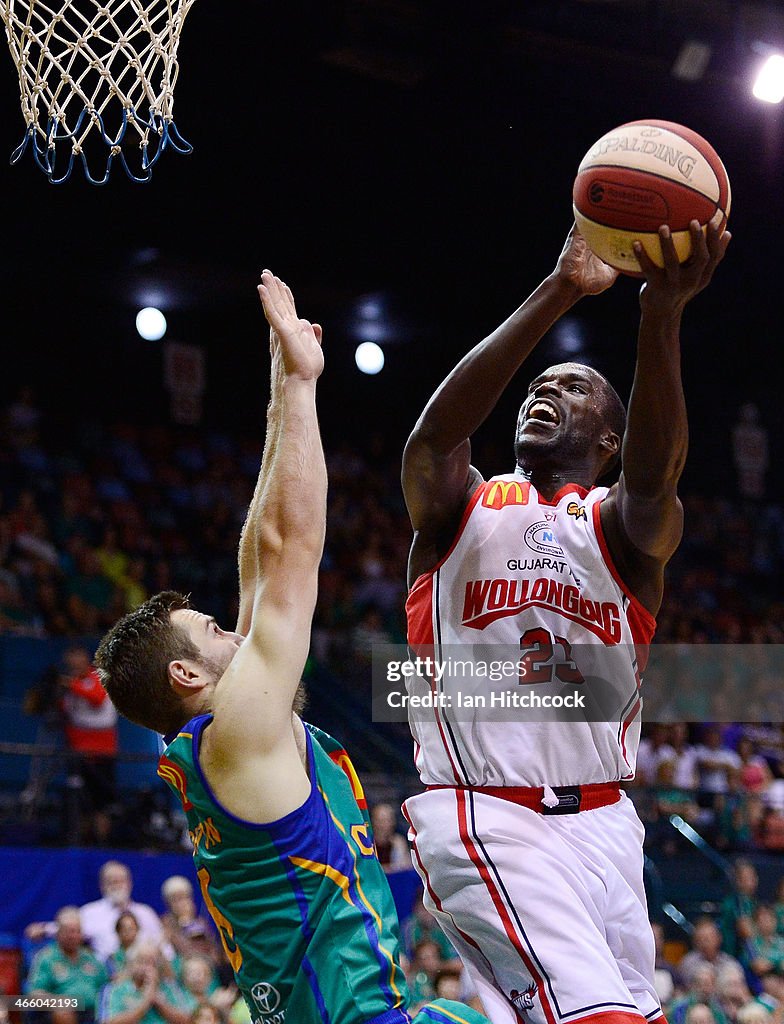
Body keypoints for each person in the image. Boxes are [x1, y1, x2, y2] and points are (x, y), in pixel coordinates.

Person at [94, 272, 488, 1024]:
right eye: (213, 633)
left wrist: (281, 390)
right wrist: (306, 387)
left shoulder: (227, 736)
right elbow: (295, 552)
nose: (234, 631)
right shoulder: (240, 728)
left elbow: (258, 553)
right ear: (186, 674)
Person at [400, 219, 730, 1024]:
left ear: (611, 440)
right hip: (488, 812)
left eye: (574, 388)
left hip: (607, 825)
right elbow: (433, 437)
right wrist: (560, 289)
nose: (547, 391)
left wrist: (661, 314)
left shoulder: (620, 530)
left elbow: (655, 484)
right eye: (541, 385)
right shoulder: (460, 507)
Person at [26, 906, 109, 1024]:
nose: (73, 936)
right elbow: (34, 995)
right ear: (58, 933)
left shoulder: (91, 957)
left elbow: (107, 984)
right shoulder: (46, 958)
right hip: (62, 1014)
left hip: (93, 1012)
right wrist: (59, 1002)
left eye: (77, 931)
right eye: (69, 931)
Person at [100, 940, 192, 1024]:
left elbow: (186, 1020)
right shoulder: (115, 989)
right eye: (142, 961)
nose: (148, 967)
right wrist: (146, 1001)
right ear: (132, 964)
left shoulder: (169, 987)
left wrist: (158, 1001)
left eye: (153, 962)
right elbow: (110, 1022)